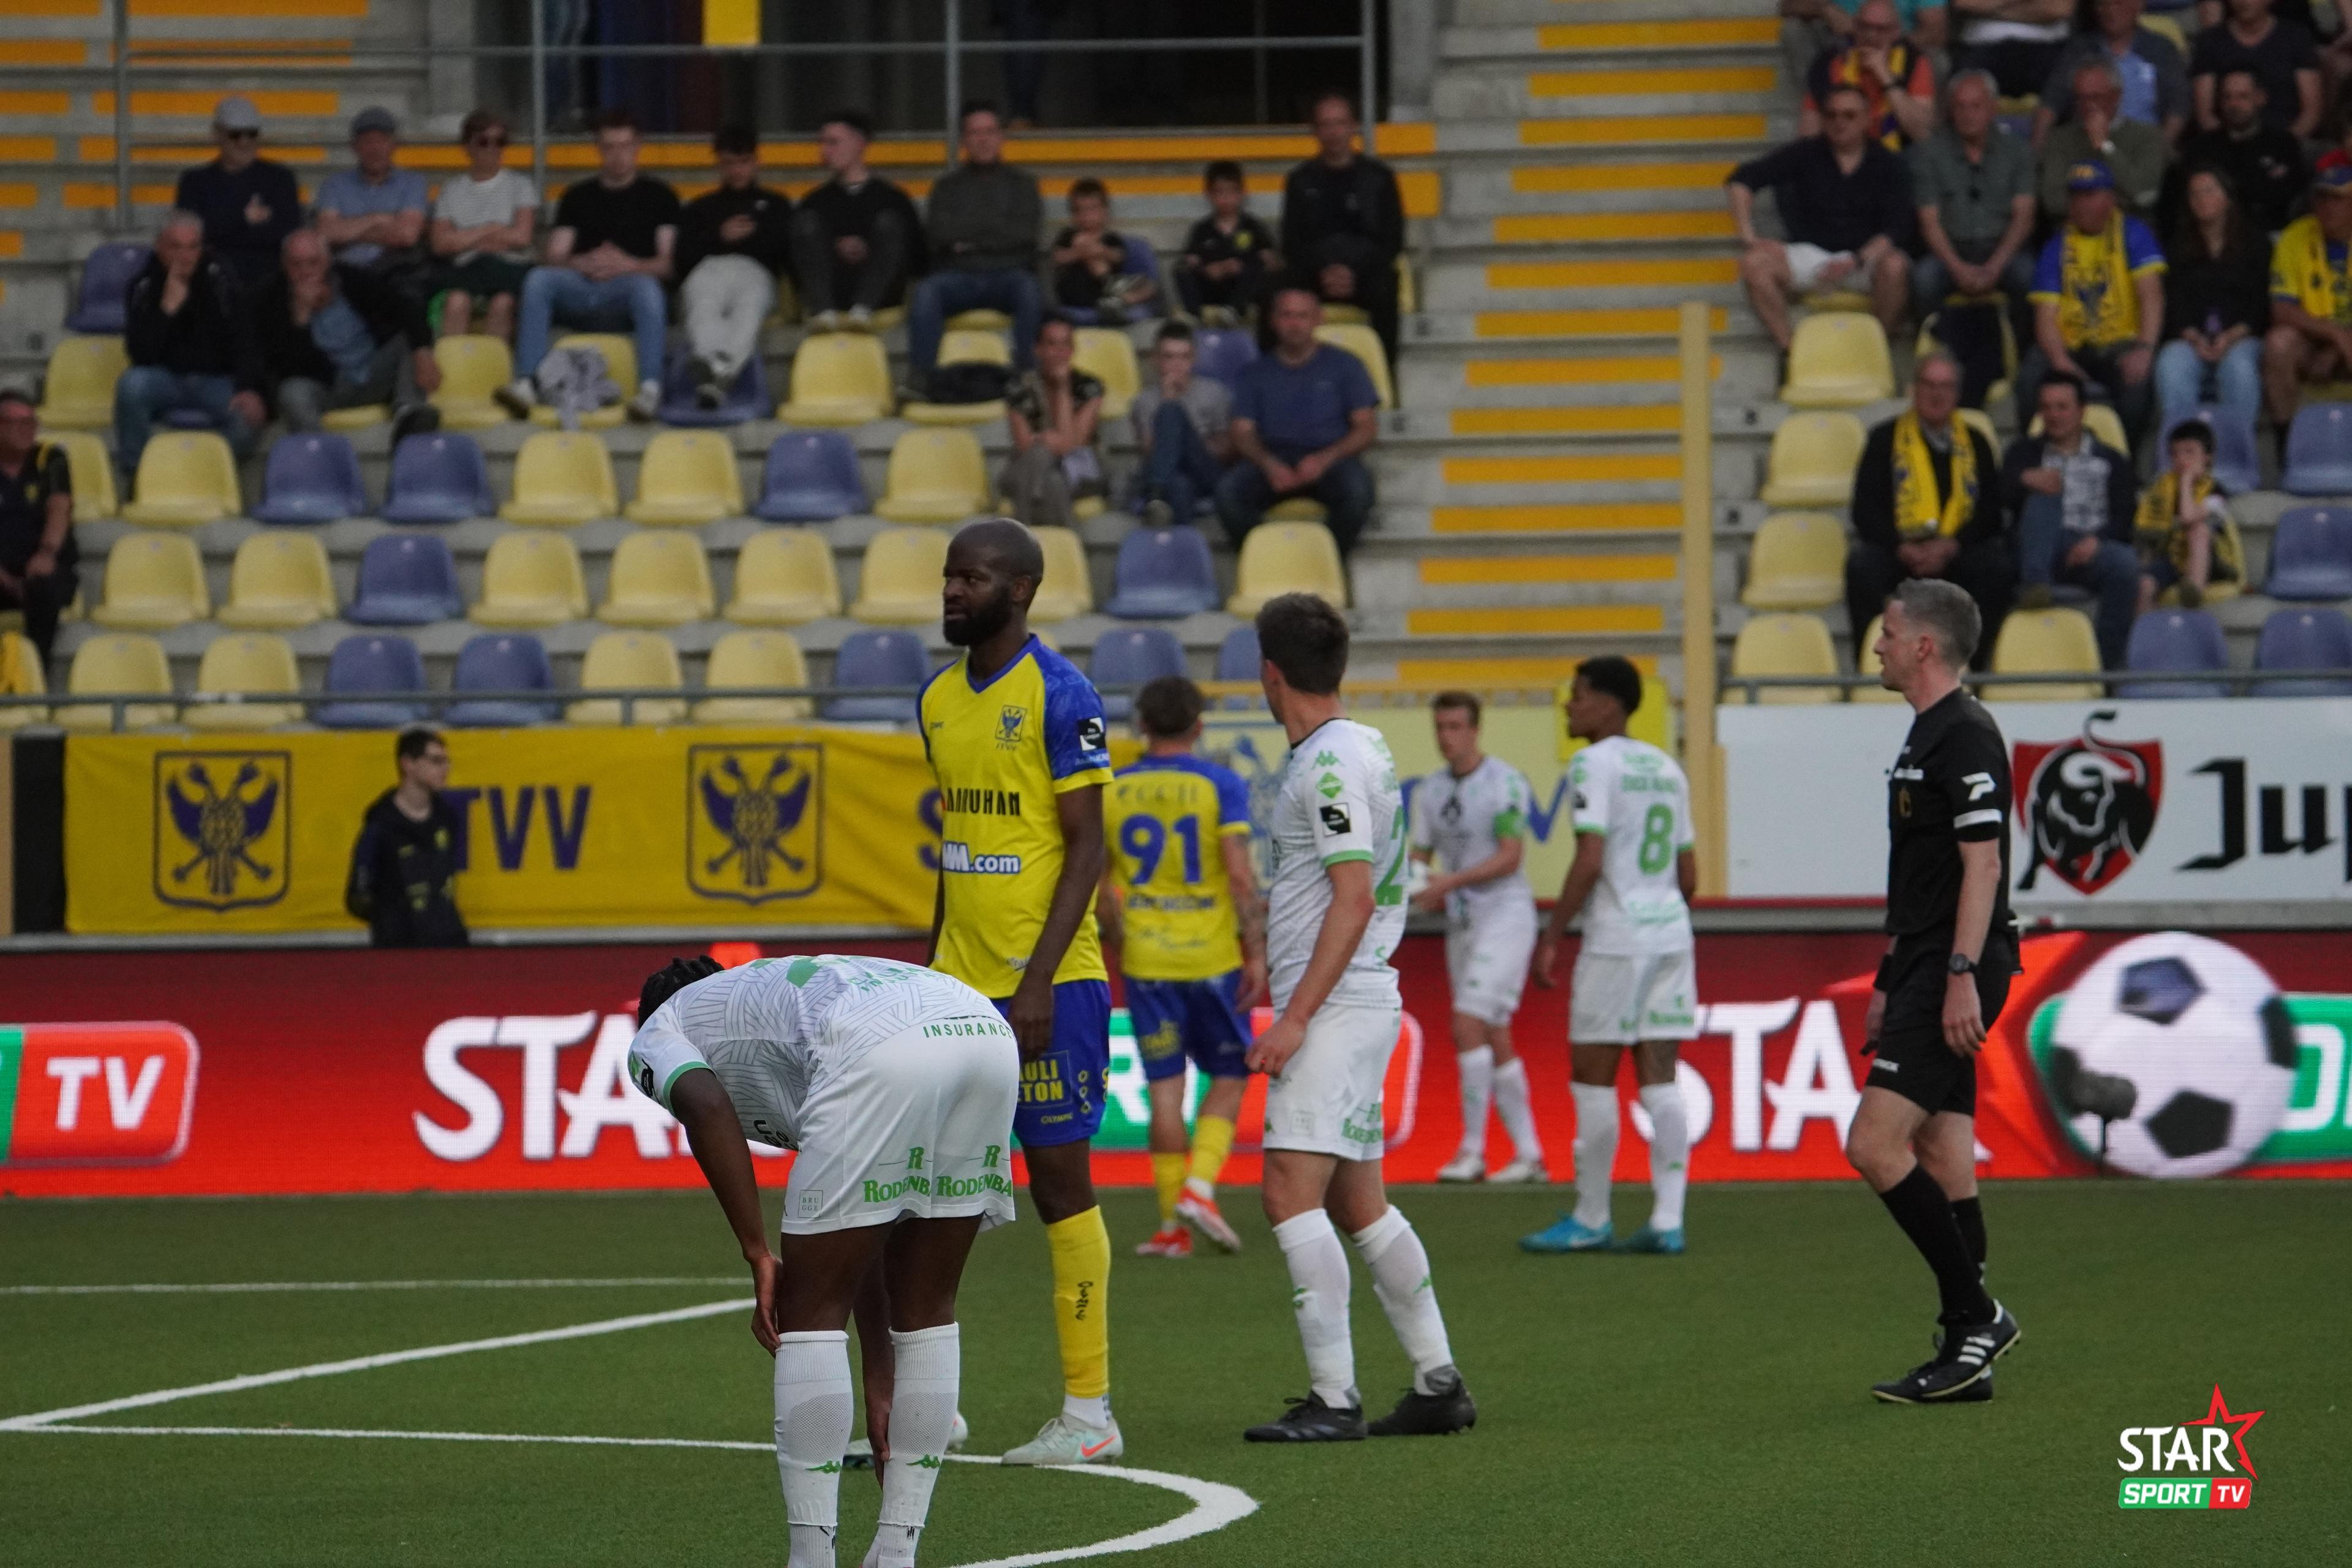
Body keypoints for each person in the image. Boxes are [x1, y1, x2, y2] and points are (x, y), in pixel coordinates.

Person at [625, 952, 1019, 1568]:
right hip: (985, 1031)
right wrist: (879, 1373)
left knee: (808, 1313)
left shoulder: (660, 1027)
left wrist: (757, 1250)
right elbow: (867, 1225)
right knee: (928, 1310)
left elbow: (705, 1105)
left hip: (881, 1044)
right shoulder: (774, 1006)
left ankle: (811, 1559)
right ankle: (896, 1553)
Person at [1241, 592, 1476, 1444]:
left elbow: (1351, 895)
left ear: (1271, 673)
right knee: (1358, 1200)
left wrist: (1295, 1016)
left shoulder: (1329, 763)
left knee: (1286, 1190)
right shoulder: (1359, 745)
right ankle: (1438, 1381)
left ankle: (1334, 1399)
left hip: (1336, 1006)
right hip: (1361, 995)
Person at [919, 517, 1123, 1467]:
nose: (953, 590)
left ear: (1022, 590)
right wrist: (927, 971)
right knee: (928, 1192)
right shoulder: (936, 700)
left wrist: (1036, 978)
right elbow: (955, 850)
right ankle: (934, 1406)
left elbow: (1088, 847)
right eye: (950, 575)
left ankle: (1090, 1413)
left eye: (972, 578)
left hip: (1052, 988)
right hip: (955, 990)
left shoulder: (1062, 694)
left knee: (1061, 1187)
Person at [1844, 579, 2022, 1404]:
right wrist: (1892, 976)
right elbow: (1924, 879)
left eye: (1888, 633)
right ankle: (1966, 1351)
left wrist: (1958, 977)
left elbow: (1983, 864)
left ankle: (1979, 1317)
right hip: (1924, 962)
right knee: (1945, 1151)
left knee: (1874, 1145)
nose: (1877, 645)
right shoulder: (1927, 733)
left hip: (1955, 966)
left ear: (1923, 645)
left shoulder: (1965, 733)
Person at [1519, 658, 1699, 1257]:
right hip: (1671, 937)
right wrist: (1659, 912)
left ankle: (1592, 1217)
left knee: (1593, 1081)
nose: (1568, 706)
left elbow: (1591, 857)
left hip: (1617, 941)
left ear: (1609, 704)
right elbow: (1689, 875)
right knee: (1660, 1080)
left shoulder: (1593, 763)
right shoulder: (1668, 767)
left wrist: (1553, 933)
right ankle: (1668, 1219)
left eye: (1578, 695)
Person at [1098, 674, 1266, 1260]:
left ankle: (1174, 1225)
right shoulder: (1220, 783)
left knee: (1165, 1091)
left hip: (1148, 959)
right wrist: (1257, 952)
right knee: (1230, 1074)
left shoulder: (1113, 788)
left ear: (1142, 725)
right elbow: (1239, 875)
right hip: (1212, 957)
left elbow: (1100, 889)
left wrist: (1123, 944)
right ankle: (1200, 1188)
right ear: (1199, 725)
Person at [1411, 692, 1546, 1187]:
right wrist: (1416, 887)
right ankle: (1530, 1155)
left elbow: (1511, 856)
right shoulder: (1429, 790)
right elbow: (1420, 857)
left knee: (1467, 1023)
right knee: (1493, 1031)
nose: (1446, 737)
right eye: (1440, 727)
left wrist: (1448, 882)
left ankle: (1471, 1150)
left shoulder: (1504, 782)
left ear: (1475, 730)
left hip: (1506, 915)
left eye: (1455, 727)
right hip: (1463, 922)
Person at [499, 109, 679, 423]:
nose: (617, 155)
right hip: (582, 289)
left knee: (648, 288)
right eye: (609, 147)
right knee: (539, 280)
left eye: (625, 146)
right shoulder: (577, 196)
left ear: (638, 146)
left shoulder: (660, 196)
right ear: (598, 148)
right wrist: (578, 263)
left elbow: (668, 265)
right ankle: (527, 383)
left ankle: (650, 389)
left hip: (627, 294)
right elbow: (555, 255)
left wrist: (629, 265)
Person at [1727, 84, 1917, 353]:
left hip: (1865, 258)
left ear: (1867, 119)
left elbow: (1897, 227)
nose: (1840, 122)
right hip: (1812, 255)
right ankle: (1791, 350)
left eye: (1849, 115)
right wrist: (1749, 237)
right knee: (1754, 263)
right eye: (1832, 115)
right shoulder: (1804, 153)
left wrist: (1857, 259)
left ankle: (1876, 348)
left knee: (1896, 266)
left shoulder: (1890, 163)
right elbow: (1741, 179)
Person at [1847, 353, 2013, 658]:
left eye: (1946, 387)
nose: (1937, 395)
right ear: (1915, 389)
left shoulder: (1976, 442)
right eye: (1929, 385)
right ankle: (1871, 662)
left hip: (1955, 550)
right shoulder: (1884, 439)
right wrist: (1902, 547)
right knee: (1862, 567)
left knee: (1997, 569)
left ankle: (1978, 665)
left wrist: (1951, 546)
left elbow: (1991, 512)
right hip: (1901, 552)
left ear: (1957, 393)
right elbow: (1865, 511)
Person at [1216, 287, 1380, 554]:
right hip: (1271, 460)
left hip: (1332, 460)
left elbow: (1366, 428)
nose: (1294, 324)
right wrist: (1269, 465)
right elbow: (1242, 431)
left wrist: (1324, 460)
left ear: (1318, 319)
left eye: (1303, 316)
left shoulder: (1346, 365)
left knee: (1358, 494)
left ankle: (1325, 559)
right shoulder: (1254, 373)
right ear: (1273, 321)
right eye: (1287, 315)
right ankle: (1268, 558)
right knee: (1227, 494)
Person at [2019, 161, 2166, 439]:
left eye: (2090, 195)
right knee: (2030, 377)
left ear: (2110, 199)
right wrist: (2061, 362)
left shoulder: (2134, 233)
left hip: (2120, 343)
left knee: (2137, 384)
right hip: (2071, 346)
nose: (2081, 205)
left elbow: (2152, 297)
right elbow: (2045, 317)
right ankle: (2035, 450)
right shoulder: (2055, 246)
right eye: (2075, 197)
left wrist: (2145, 348)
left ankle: (2126, 458)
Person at [2002, 372, 2141, 665]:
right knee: (2044, 496)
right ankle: (2035, 586)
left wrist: (2097, 540)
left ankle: (2106, 666)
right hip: (2037, 548)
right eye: (2047, 408)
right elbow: (1994, 496)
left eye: (2062, 407)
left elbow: (2125, 515)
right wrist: (2023, 479)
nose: (2054, 415)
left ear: (2082, 411)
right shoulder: (2023, 453)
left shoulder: (2112, 460)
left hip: (2090, 547)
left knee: (2126, 564)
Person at [1910, 70, 2039, 381]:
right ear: (1950, 110)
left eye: (1976, 106)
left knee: (2029, 276)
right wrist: (1956, 267)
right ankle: (1938, 361)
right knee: (1924, 280)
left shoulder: (2017, 151)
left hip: (2003, 249)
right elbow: (1929, 222)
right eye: (1961, 106)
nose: (1968, 114)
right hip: (1951, 250)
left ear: (1993, 108)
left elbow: (2024, 217)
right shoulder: (1929, 153)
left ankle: (2023, 362)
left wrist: (1995, 266)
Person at [116, 210, 264, 480]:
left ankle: (202, 475)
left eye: (193, 247)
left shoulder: (221, 280)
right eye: (176, 247)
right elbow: (140, 355)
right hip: (165, 380)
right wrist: (166, 311)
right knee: (131, 386)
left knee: (249, 415)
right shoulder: (143, 285)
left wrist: (247, 387)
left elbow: (244, 338)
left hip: (214, 381)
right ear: (160, 247)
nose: (185, 256)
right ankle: (137, 476)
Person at [257, 230, 442, 443]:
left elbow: (404, 308)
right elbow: (285, 368)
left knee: (410, 340)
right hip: (327, 386)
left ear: (327, 262)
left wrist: (423, 351)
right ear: (284, 265)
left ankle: (409, 414)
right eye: (296, 265)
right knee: (291, 392)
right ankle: (318, 450)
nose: (305, 272)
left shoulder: (351, 279)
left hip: (374, 373)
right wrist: (301, 319)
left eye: (313, 263)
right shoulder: (270, 299)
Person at [909, 103, 1044, 383]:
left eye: (990, 132)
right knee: (926, 292)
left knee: (1030, 290)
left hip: (1009, 276)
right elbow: (939, 235)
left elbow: (1026, 235)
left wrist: (968, 238)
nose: (983, 140)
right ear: (964, 140)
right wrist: (995, 231)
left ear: (1001, 137)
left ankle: (1027, 376)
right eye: (975, 133)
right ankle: (922, 380)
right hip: (958, 277)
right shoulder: (946, 186)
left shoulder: (1024, 184)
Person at [1279, 94, 1406, 363]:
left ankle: (1385, 373)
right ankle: (1276, 372)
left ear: (1352, 127)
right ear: (1315, 131)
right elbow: (1292, 242)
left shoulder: (1380, 178)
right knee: (1275, 289)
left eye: (1339, 123)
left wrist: (1353, 272)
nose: (1333, 132)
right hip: (1315, 276)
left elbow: (1392, 240)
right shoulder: (1300, 180)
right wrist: (1324, 272)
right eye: (1325, 124)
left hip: (1365, 276)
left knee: (1387, 286)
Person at [675, 123, 793, 408]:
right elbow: (682, 259)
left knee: (748, 309)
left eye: (744, 162)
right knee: (703, 304)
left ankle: (713, 367)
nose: (737, 170)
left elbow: (784, 251)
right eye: (729, 163)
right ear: (719, 165)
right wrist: (720, 237)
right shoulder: (701, 207)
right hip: (709, 269)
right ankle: (720, 369)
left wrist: (751, 238)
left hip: (757, 273)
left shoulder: (776, 205)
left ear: (756, 162)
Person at [2155, 167, 2272, 431]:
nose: (2201, 199)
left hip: (2243, 337)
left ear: (2228, 198)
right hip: (2192, 339)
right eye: (2194, 194)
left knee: (2239, 367)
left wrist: (2230, 337)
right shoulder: (2177, 246)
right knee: (2171, 362)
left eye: (2209, 191)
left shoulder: (2255, 243)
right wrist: (2194, 337)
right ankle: (2183, 444)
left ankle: (2237, 445)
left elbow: (2261, 303)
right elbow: (2173, 302)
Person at [791, 108, 922, 332]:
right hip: (834, 291)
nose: (825, 151)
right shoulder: (815, 202)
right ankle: (824, 310)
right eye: (822, 143)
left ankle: (863, 309)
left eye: (833, 143)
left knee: (890, 223)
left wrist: (871, 248)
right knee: (806, 224)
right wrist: (834, 247)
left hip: (882, 297)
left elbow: (917, 257)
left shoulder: (893, 199)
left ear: (859, 144)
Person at [344, 727, 467, 948]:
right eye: (436, 761)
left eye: (446, 761)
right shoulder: (381, 822)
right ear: (408, 764)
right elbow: (358, 894)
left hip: (448, 941)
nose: (445, 768)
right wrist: (390, 917)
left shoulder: (447, 817)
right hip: (398, 947)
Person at [172, 96, 301, 299]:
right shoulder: (194, 181)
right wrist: (245, 220)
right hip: (211, 283)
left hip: (270, 281)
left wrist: (222, 226)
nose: (244, 142)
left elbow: (288, 233)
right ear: (217, 135)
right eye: (235, 135)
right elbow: (191, 237)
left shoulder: (280, 178)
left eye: (251, 134)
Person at [430, 109, 538, 342]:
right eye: (483, 142)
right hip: (467, 269)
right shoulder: (451, 190)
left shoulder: (521, 185)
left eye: (499, 142)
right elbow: (440, 244)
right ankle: (454, 363)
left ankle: (493, 364)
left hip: (509, 267)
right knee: (456, 302)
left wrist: (465, 238)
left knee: (503, 303)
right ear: (467, 146)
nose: (492, 148)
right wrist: (491, 229)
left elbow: (522, 237)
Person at [2262, 153, 2352, 429]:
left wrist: (2338, 348)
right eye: (2321, 198)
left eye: (2337, 199)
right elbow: (2282, 310)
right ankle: (2287, 439)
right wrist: (2335, 336)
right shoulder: (2295, 236)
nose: (2327, 207)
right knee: (2279, 344)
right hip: (2313, 339)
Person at [2034, 0, 2190, 146]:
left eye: (2118, 3)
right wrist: (2038, 153)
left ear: (2138, 5)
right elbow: (2051, 101)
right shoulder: (2080, 50)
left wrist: (2160, 152)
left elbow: (2178, 107)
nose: (2110, 10)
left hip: (2144, 146)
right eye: (2103, 4)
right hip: (2085, 145)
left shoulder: (2161, 49)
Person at [2172, 70, 2310, 235]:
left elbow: (2296, 196)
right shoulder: (2201, 148)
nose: (2234, 104)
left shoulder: (2283, 144)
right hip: (2215, 236)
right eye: (2227, 97)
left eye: (2243, 97)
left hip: (2274, 234)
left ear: (2261, 98)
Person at [1002, 315, 1106, 531]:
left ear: (1073, 350)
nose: (1059, 352)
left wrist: (1062, 388)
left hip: (1079, 471)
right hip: (1028, 466)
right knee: (1051, 477)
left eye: (1065, 345)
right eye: (1051, 344)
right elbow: (1024, 445)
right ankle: (1070, 542)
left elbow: (1072, 446)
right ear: (1038, 349)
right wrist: (1046, 444)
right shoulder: (1019, 388)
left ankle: (1022, 530)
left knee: (1049, 472)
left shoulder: (1090, 387)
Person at [2036, 59, 2169, 223]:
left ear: (2116, 96)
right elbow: (2053, 201)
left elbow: (2143, 195)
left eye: (2096, 97)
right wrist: (2103, 204)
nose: (2088, 105)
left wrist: (2105, 146)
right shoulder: (2060, 139)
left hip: (2131, 232)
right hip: (2072, 233)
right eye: (2081, 98)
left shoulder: (2147, 136)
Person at [1797, 0, 1939, 151]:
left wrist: (1886, 76)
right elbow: (1810, 129)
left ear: (1896, 32)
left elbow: (1920, 132)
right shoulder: (1830, 60)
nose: (1871, 36)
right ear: (1855, 26)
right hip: (1841, 151)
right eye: (1865, 27)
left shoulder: (1913, 60)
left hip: (1898, 153)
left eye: (1881, 29)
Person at [2136, 418, 2245, 611]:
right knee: (2144, 585)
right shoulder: (2162, 488)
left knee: (2198, 530)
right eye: (2175, 453)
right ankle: (2148, 628)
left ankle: (2194, 590)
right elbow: (2146, 530)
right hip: (2171, 559)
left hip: (2211, 562)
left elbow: (2188, 517)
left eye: (2189, 452)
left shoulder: (2216, 492)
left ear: (2207, 457)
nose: (2181, 460)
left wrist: (2186, 482)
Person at [1133, 321, 1233, 529]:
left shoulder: (1215, 393)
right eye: (1169, 357)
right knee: (1180, 485)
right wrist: (1167, 399)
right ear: (1156, 360)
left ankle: (1155, 495)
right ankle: (1181, 540)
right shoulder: (1144, 401)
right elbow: (1149, 453)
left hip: (1204, 468)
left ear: (1194, 359)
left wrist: (1186, 441)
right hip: (1172, 475)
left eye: (1184, 357)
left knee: (1171, 412)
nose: (1177, 365)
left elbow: (1226, 451)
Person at [311, 107, 430, 279]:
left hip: (395, 272)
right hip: (345, 272)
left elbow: (407, 235)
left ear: (394, 146)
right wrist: (377, 219)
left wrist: (349, 231)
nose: (375, 149)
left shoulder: (413, 183)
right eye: (367, 142)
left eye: (382, 141)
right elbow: (326, 233)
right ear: (354, 147)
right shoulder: (335, 184)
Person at [0, 391, 74, 665]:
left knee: (45, 586)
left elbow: (59, 509)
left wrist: (47, 552)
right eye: (16, 422)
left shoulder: (50, 458)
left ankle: (38, 671)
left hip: (44, 566)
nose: (26, 429)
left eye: (30, 422)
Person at [2191, 0, 2324, 138]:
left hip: (2289, 139)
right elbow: (2205, 115)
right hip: (2226, 142)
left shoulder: (2297, 37)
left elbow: (2311, 113)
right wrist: (2225, 145)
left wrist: (2285, 144)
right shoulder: (2210, 41)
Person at [1779, 0, 1951, 101]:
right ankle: (1816, 110)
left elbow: (1937, 31)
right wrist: (1826, 9)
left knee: (1938, 60)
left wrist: (1889, 42)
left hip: (1899, 43)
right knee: (1794, 29)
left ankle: (1927, 136)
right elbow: (1788, 6)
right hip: (1841, 42)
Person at [1177, 160, 1281, 325]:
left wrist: (1242, 266)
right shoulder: (1202, 229)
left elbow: (1271, 263)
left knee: (1259, 268)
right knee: (1181, 270)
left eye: (1232, 191)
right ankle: (1194, 315)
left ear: (1242, 193)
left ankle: (1234, 310)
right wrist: (1209, 269)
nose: (1226, 198)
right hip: (1212, 288)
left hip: (1243, 290)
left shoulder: (1253, 227)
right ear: (1209, 194)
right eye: (1220, 192)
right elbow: (1190, 261)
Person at [1048, 178, 1157, 323]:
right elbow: (1058, 258)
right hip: (1075, 294)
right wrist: (1080, 252)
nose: (1087, 217)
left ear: (1105, 211)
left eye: (1093, 210)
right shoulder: (1068, 236)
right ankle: (1118, 295)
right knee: (1092, 257)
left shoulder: (1111, 239)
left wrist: (1100, 251)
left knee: (1147, 286)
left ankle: (1117, 297)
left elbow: (1119, 256)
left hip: (1105, 293)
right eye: (1080, 210)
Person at [1950, 0, 2074, 100]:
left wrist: (1992, 10)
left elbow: (2060, 9)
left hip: (2047, 49)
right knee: (1967, 97)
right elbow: (1964, 3)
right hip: (1981, 48)